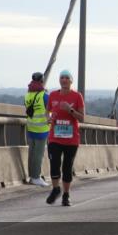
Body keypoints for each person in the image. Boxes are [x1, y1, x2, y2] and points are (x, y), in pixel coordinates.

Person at [45, 69, 85, 207]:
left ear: (71, 80)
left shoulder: (77, 96)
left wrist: (71, 110)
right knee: (54, 164)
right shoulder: (53, 95)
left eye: (67, 77)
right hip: (55, 137)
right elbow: (47, 112)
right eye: (62, 77)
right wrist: (49, 118)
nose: (64, 80)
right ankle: (56, 189)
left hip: (71, 139)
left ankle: (66, 195)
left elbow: (82, 118)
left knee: (67, 168)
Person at [24, 71, 50, 186]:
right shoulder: (44, 96)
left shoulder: (27, 95)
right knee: (38, 154)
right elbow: (52, 108)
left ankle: (31, 176)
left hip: (30, 127)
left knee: (32, 153)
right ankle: (36, 177)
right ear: (42, 81)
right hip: (41, 129)